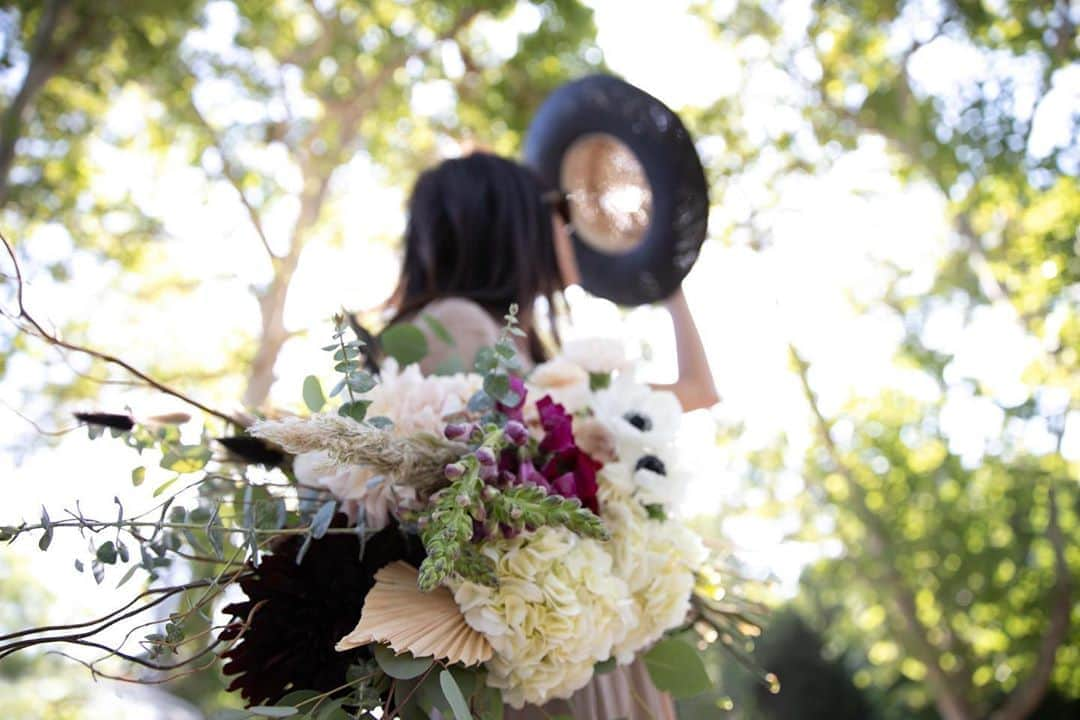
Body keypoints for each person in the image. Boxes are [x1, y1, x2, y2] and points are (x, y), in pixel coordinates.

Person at [385, 151, 717, 720]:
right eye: (556, 211)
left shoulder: (532, 354)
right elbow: (480, 487)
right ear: (510, 225)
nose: (569, 227)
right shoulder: (461, 324)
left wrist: (663, 272)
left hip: (573, 622)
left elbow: (697, 390)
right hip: (538, 629)